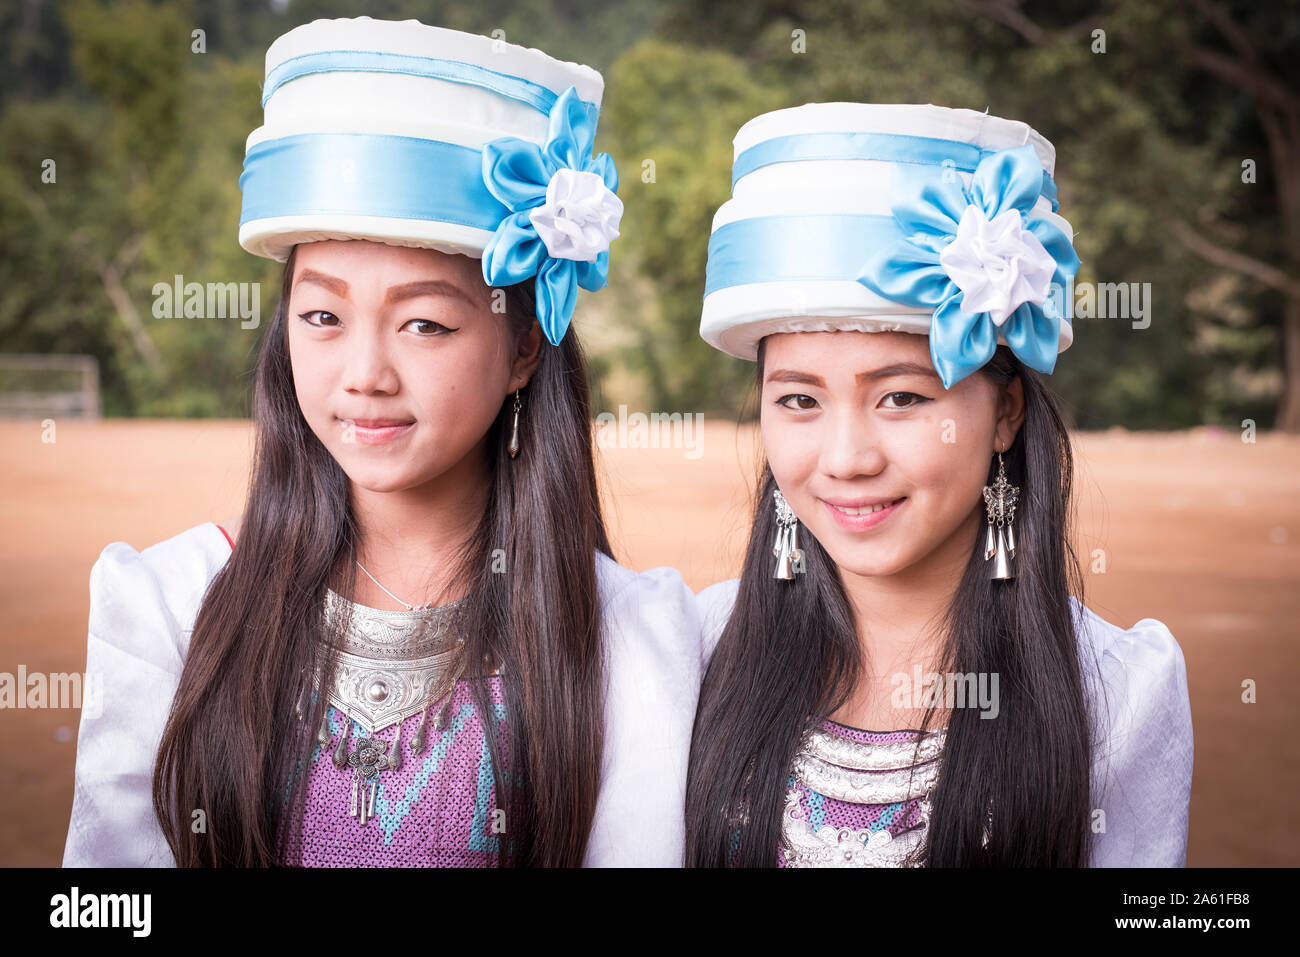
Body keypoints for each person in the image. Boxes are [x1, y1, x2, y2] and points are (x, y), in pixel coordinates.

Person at [62, 16, 701, 868]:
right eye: (323, 315)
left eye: (425, 323)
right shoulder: (172, 613)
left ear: (521, 348)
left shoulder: (628, 642)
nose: (365, 372)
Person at [686, 102, 1193, 867]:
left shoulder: (1119, 693)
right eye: (799, 399)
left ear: (1005, 413)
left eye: (902, 397)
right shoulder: (695, 649)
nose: (848, 457)